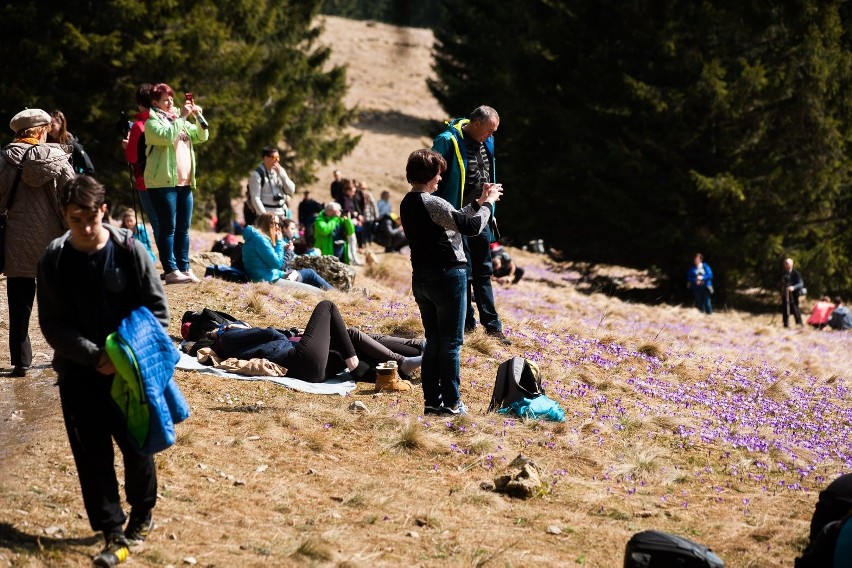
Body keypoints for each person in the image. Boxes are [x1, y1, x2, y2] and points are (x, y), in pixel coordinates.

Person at [37, 175, 169, 567]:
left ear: (104, 211)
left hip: (131, 374)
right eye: (75, 219)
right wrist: (95, 356)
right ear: (65, 215)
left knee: (136, 447)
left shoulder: (130, 250)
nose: (85, 227)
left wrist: (124, 353)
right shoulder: (54, 259)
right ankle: (112, 527)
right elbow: (53, 325)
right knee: (91, 456)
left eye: (91, 218)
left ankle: (142, 513)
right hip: (79, 374)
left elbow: (157, 310)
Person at [400, 148, 502, 416]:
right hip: (448, 277)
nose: (441, 179)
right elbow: (470, 227)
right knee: (451, 344)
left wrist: (478, 201)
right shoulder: (433, 202)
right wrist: (490, 204)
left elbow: (454, 219)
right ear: (428, 174)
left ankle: (432, 402)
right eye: (438, 174)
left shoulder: (408, 202)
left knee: (433, 341)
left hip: (422, 278)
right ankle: (454, 403)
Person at [0, 108, 75, 377]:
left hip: (17, 239)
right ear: (42, 130)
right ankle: (65, 354)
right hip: (53, 242)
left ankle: (21, 361)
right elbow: (71, 196)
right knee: (57, 301)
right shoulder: (57, 157)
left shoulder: (5, 158)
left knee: (19, 303)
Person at [432, 105, 510, 344]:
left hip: (482, 217)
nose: (491, 135)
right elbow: (432, 175)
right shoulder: (447, 141)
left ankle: (492, 326)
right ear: (476, 124)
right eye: (489, 130)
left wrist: (491, 208)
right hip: (457, 218)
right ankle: (466, 324)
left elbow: (488, 173)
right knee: (463, 272)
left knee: (483, 271)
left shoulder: (488, 142)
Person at [212, 299, 422, 383]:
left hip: (314, 370)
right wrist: (233, 328)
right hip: (298, 360)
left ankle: (408, 357)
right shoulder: (227, 337)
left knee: (348, 337)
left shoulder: (235, 344)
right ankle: (400, 359)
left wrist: (296, 333)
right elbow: (271, 335)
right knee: (327, 306)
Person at [144, 83, 209, 285]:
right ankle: (171, 270)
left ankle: (185, 268)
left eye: (171, 98)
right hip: (161, 183)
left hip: (184, 182)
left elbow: (201, 136)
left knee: (183, 228)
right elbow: (167, 136)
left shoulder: (177, 120)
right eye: (165, 99)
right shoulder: (152, 123)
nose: (170, 102)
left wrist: (198, 117)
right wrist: (182, 117)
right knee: (168, 227)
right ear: (155, 103)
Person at [241, 213, 331, 293]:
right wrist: (280, 243)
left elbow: (265, 266)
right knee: (319, 292)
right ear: (266, 224)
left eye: (278, 224)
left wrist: (283, 274)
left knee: (310, 273)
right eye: (275, 223)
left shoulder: (254, 238)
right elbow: (278, 264)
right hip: (269, 282)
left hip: (266, 278)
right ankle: (336, 294)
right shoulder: (261, 240)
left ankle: (335, 293)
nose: (277, 227)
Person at [123, 83, 160, 244]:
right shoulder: (166, 122)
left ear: (140, 103)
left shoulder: (139, 126)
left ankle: (169, 265)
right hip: (169, 180)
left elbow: (132, 158)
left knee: (158, 225)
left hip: (145, 182)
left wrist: (127, 145)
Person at [246, 146, 296, 221]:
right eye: (274, 158)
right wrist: (266, 217)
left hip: (282, 214)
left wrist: (283, 175)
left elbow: (291, 190)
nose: (277, 160)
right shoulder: (257, 175)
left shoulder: (280, 172)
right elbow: (255, 198)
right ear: (266, 158)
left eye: (278, 157)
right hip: (267, 215)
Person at [47, 110, 95, 175]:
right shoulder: (47, 144)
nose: (49, 128)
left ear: (61, 124)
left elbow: (89, 169)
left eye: (53, 125)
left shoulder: (73, 145)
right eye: (47, 126)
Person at [780, 257, 805, 327]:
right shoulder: (783, 273)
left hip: (794, 294)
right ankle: (785, 324)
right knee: (785, 308)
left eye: (787, 263)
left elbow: (801, 283)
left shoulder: (796, 273)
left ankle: (799, 324)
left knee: (795, 308)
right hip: (785, 293)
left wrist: (793, 287)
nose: (786, 265)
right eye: (785, 263)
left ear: (791, 264)